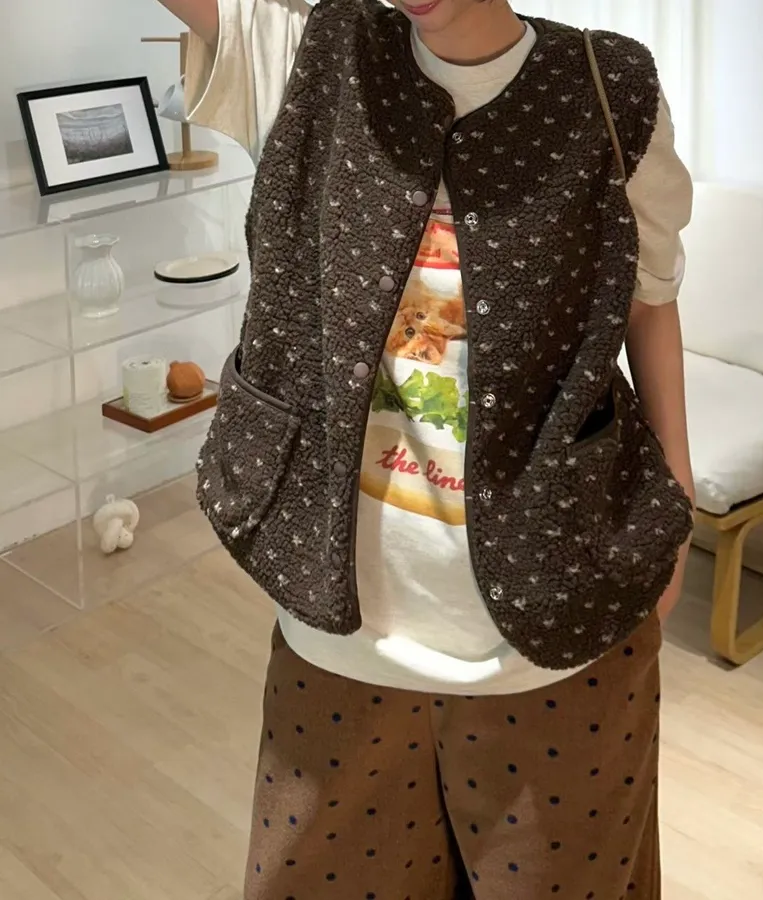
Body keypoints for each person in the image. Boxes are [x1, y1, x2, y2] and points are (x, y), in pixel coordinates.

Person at [159, 0, 695, 897]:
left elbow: (650, 298)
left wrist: (678, 494)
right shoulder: (312, 49)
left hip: (560, 618)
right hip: (339, 637)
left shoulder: (611, 87)